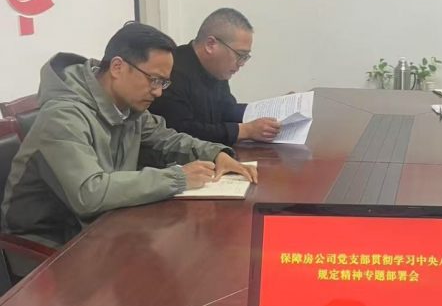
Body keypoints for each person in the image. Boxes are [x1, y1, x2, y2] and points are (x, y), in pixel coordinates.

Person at [1, 23, 256, 247]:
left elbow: (167, 139)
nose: (158, 92)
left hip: (104, 225)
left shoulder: (127, 106)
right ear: (117, 67)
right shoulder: (63, 116)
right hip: (51, 246)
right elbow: (89, 194)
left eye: (163, 83)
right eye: (154, 80)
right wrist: (177, 178)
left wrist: (216, 153)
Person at [149, 8, 280, 146]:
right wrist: (244, 131)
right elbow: (179, 132)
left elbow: (227, 111)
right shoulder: (172, 70)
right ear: (210, 45)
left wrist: (271, 110)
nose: (241, 64)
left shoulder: (216, 69)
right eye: (240, 55)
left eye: (245, 57)